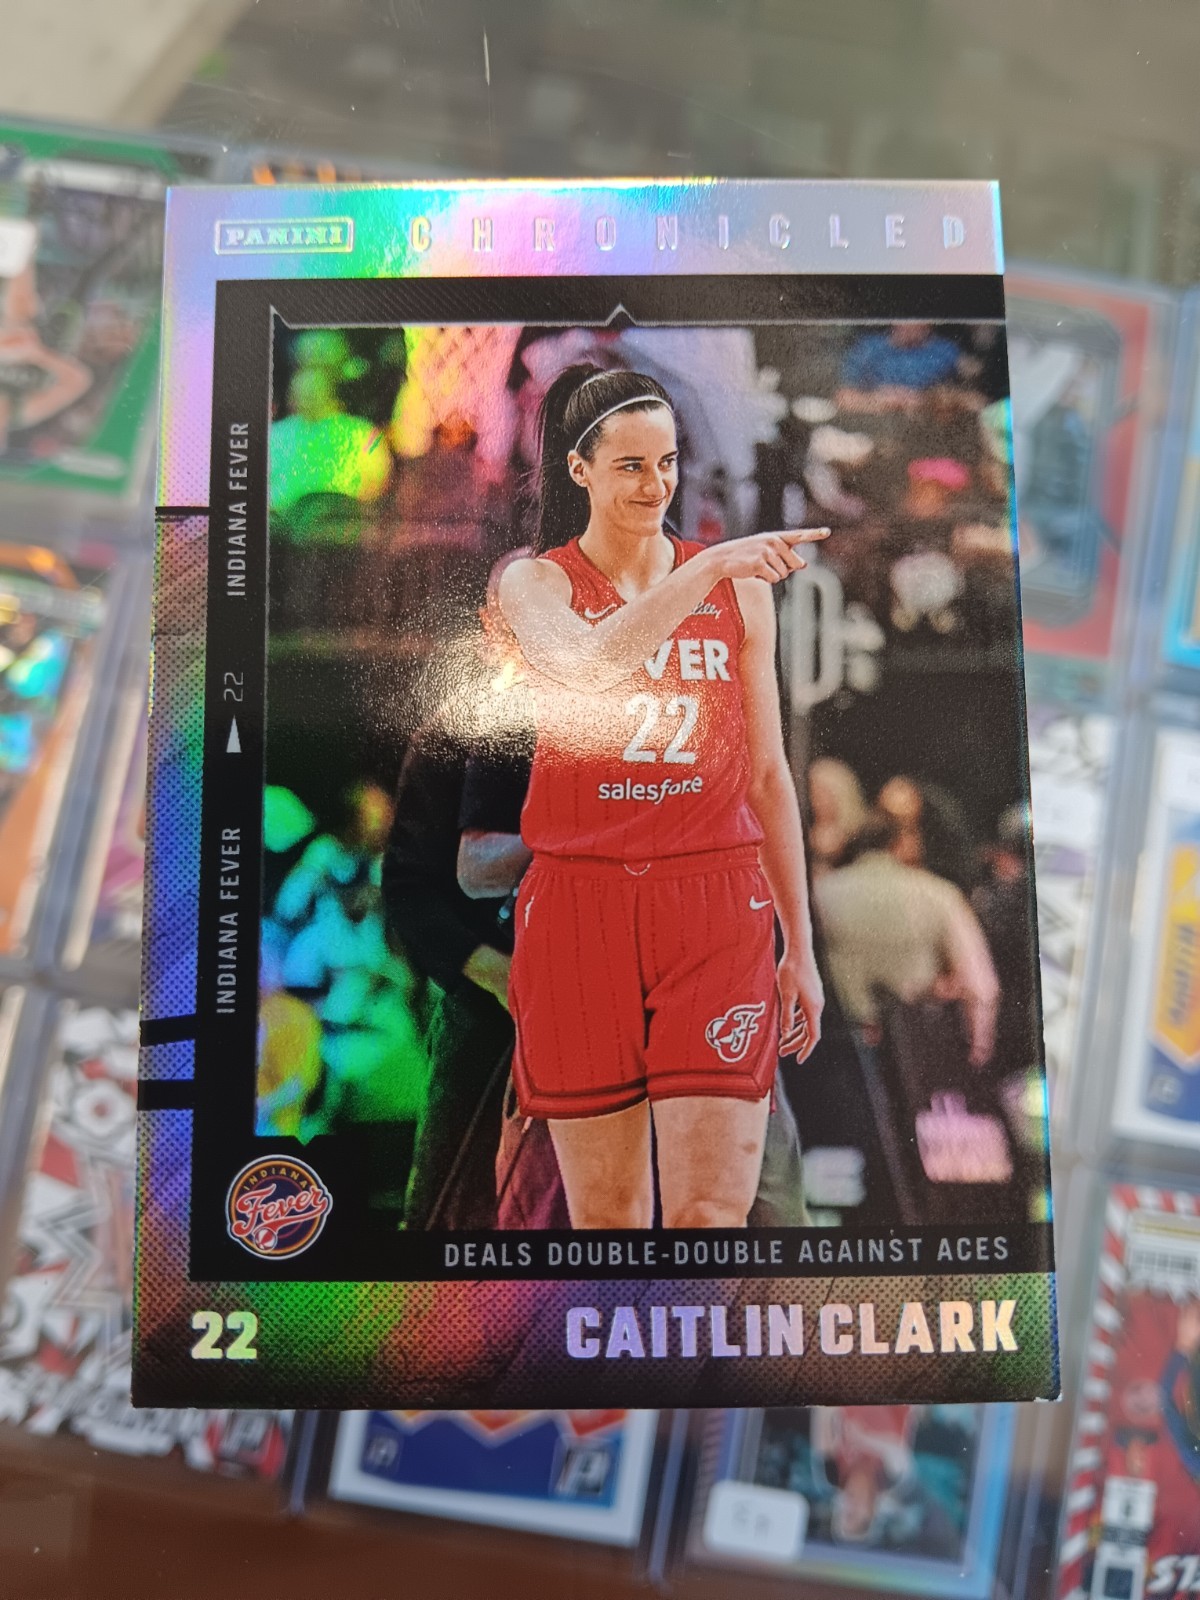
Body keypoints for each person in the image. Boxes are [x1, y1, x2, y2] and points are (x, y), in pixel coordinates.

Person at [497, 363, 828, 1231]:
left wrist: (800, 944)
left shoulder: (738, 589)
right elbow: (588, 667)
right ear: (580, 470)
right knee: (607, 1221)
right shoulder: (534, 582)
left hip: (712, 898)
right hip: (581, 903)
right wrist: (707, 564)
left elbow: (767, 776)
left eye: (669, 462)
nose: (657, 485)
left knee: (711, 1213)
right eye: (632, 466)